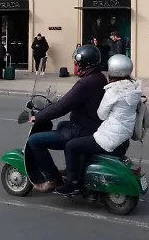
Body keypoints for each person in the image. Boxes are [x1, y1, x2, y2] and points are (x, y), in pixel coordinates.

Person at [55, 54, 142, 196]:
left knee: (71, 146)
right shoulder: (134, 89)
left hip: (110, 138)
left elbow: (101, 115)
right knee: (83, 143)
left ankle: (73, 183)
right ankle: (80, 175)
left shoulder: (113, 91)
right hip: (124, 136)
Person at [27, 44, 107, 193]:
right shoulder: (99, 77)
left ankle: (52, 179)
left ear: (84, 63)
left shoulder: (86, 83)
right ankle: (71, 169)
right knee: (62, 126)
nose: (76, 65)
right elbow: (70, 100)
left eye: (77, 62)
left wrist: (38, 117)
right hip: (92, 126)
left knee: (35, 141)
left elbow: (64, 105)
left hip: (83, 130)